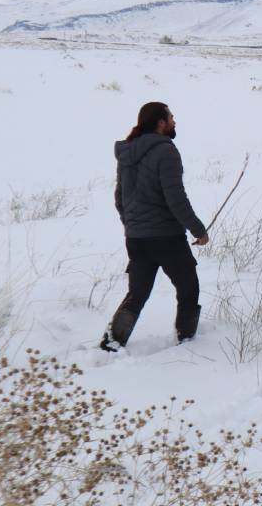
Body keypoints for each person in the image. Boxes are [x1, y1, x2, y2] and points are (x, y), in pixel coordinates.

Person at [101, 102, 209, 352]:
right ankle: (186, 340)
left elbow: (119, 197)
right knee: (188, 287)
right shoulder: (166, 151)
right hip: (166, 237)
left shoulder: (127, 152)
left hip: (136, 238)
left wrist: (132, 225)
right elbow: (175, 198)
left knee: (137, 294)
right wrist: (198, 230)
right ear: (160, 122)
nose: (174, 121)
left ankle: (111, 344)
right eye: (171, 117)